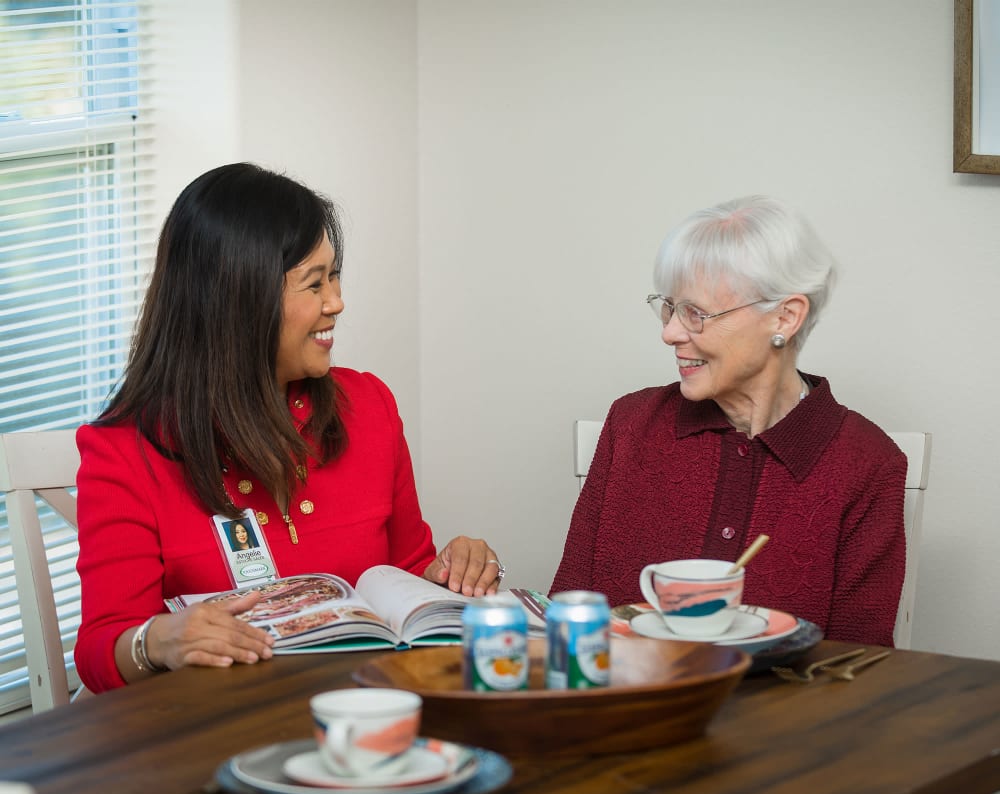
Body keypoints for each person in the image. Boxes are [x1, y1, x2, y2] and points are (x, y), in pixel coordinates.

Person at [75, 162, 505, 693]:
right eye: (314, 284)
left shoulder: (368, 405)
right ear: (239, 299)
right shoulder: (124, 451)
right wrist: (160, 641)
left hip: (366, 709)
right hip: (225, 727)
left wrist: (449, 573)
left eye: (335, 275)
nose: (336, 302)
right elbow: (101, 652)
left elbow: (406, 568)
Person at [549, 195, 905, 646]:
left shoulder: (868, 464)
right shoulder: (631, 424)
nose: (670, 333)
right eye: (670, 307)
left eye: (697, 313)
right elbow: (567, 613)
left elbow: (856, 666)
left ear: (785, 316)